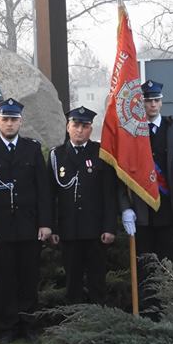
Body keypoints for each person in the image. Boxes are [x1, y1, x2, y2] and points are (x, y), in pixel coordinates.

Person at [0, 98, 52, 341]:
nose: (9, 124)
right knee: (5, 280)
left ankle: (28, 326)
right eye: (5, 119)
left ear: (21, 122)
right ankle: (6, 327)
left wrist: (45, 222)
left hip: (29, 226)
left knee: (29, 278)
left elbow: (43, 190)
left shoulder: (32, 148)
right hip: (1, 228)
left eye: (13, 119)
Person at [119, 80, 173, 312]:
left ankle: (166, 310)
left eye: (156, 100)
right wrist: (125, 207)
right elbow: (120, 172)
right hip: (141, 211)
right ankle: (146, 310)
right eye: (147, 101)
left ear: (161, 102)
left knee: (166, 264)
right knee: (144, 265)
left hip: (168, 209)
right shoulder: (131, 132)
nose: (152, 104)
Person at [49, 106, 117, 304]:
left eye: (85, 126)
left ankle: (99, 322)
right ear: (67, 127)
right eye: (75, 125)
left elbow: (109, 195)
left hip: (96, 230)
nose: (80, 130)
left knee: (97, 281)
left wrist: (109, 227)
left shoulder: (101, 154)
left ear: (91, 128)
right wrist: (52, 227)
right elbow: (50, 195)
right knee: (72, 282)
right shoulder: (57, 155)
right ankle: (75, 325)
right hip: (68, 230)